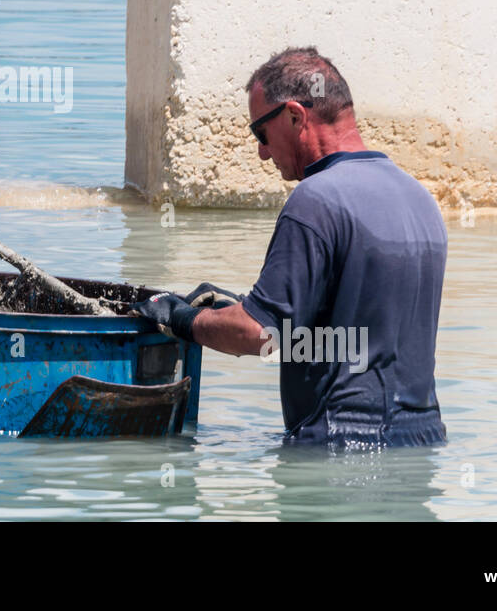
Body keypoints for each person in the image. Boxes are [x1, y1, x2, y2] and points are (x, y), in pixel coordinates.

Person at [136, 47, 447, 446]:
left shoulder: (316, 200)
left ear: (295, 116)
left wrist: (182, 320)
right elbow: (356, 336)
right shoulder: (419, 199)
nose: (262, 152)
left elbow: (260, 334)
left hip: (336, 452)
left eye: (260, 134)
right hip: (421, 444)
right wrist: (244, 306)